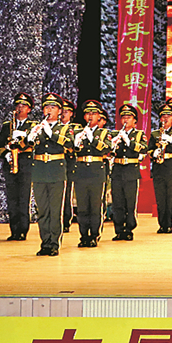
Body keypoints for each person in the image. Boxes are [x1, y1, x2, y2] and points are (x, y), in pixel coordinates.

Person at [29, 93, 74, 256]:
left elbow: (69, 144)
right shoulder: (37, 127)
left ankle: (54, 243)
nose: (49, 110)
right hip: (39, 171)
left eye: (53, 107)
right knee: (42, 210)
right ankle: (45, 242)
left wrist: (50, 133)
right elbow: (25, 145)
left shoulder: (65, 128)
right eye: (46, 107)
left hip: (56, 171)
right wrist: (28, 136)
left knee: (55, 210)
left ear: (60, 111)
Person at [0, 92, 35, 241]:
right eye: (18, 105)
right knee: (12, 198)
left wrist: (21, 140)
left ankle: (23, 230)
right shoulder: (8, 125)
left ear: (29, 109)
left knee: (23, 197)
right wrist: (6, 153)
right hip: (10, 164)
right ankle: (14, 230)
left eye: (24, 106)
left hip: (25, 164)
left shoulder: (33, 126)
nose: (20, 108)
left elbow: (33, 144)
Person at [71, 100, 112, 248]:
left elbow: (106, 149)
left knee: (95, 205)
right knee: (82, 206)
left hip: (96, 170)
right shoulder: (77, 132)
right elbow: (70, 150)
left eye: (94, 113)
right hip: (81, 170)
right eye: (88, 113)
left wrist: (92, 139)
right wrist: (75, 142)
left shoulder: (104, 133)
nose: (90, 116)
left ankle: (94, 235)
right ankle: (83, 235)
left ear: (99, 116)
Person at [109, 103, 147, 241]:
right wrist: (112, 145)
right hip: (117, 170)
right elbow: (107, 151)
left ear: (135, 120)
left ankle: (129, 228)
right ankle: (119, 229)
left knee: (129, 202)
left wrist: (128, 142)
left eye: (129, 117)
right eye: (123, 117)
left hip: (131, 170)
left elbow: (144, 148)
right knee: (117, 202)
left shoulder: (139, 134)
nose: (125, 120)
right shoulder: (115, 134)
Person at [147, 105, 172, 233]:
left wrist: (171, 141)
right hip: (158, 167)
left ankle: (169, 224)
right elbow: (149, 149)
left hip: (171, 165)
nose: (165, 119)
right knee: (160, 197)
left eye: (168, 116)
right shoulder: (155, 133)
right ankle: (162, 224)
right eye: (163, 117)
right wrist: (154, 153)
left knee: (170, 196)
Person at [60, 97, 79, 233]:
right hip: (54, 163)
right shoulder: (52, 126)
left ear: (71, 113)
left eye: (66, 112)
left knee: (67, 192)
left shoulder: (76, 128)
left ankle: (66, 219)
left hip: (69, 162)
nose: (63, 114)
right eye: (61, 111)